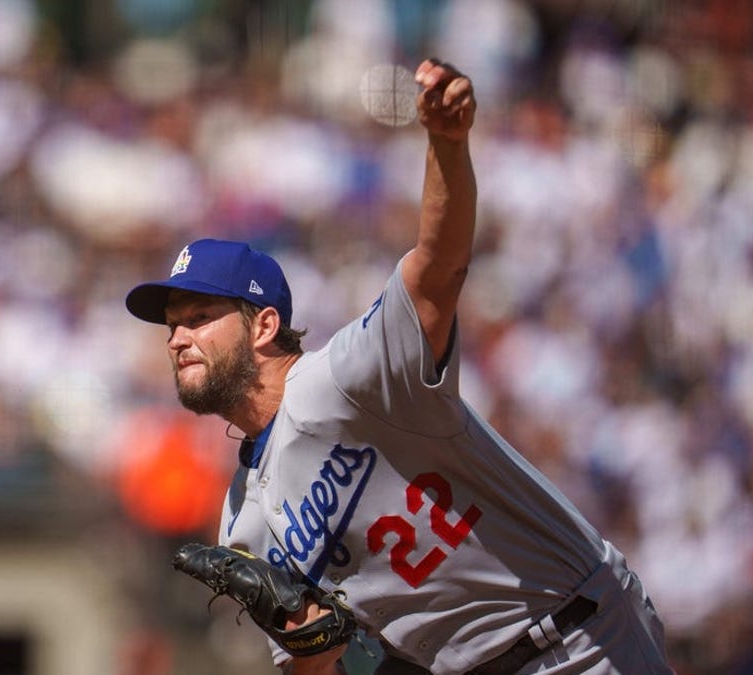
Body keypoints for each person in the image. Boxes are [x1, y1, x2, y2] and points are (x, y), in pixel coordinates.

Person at [125, 59, 672, 675]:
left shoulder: (350, 378)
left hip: (578, 639)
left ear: (265, 325)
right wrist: (310, 642)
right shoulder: (241, 521)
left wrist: (446, 144)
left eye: (199, 316)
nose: (176, 338)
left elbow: (439, 268)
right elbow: (322, 666)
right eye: (172, 323)